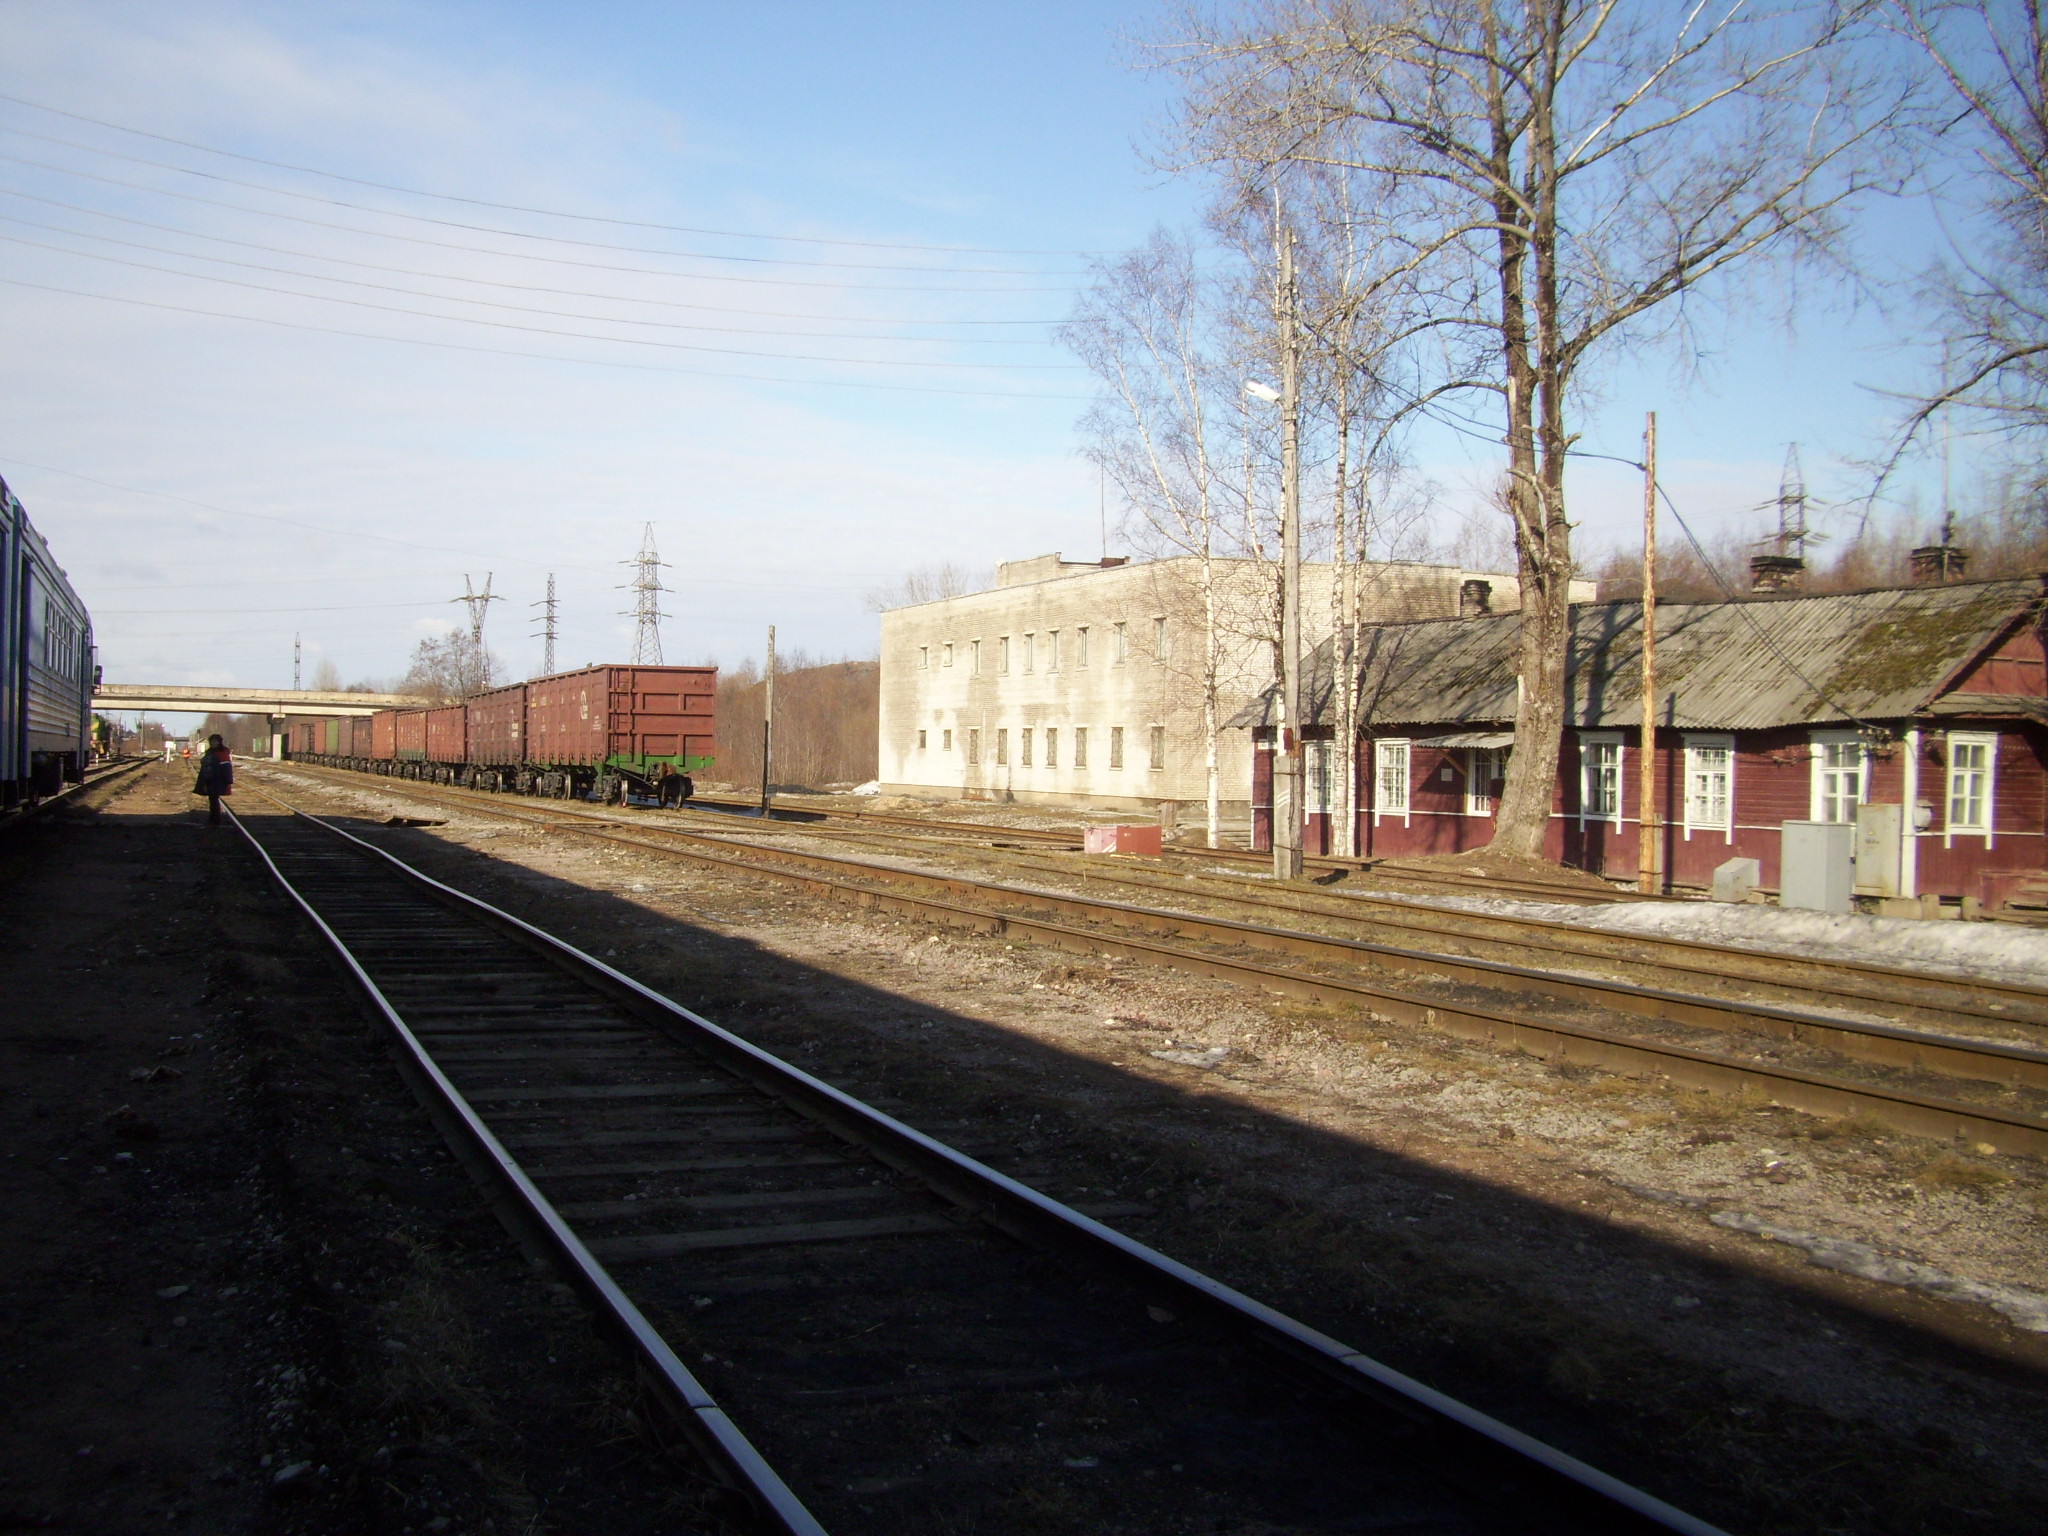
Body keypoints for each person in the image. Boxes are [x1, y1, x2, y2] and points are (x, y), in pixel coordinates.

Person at [192, 733, 234, 824]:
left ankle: (215, 820)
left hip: (217, 779)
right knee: (212, 799)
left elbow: (227, 766)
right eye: (211, 741)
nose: (213, 743)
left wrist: (228, 780)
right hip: (209, 778)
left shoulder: (222, 753)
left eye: (215, 741)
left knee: (214, 799)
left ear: (219, 742)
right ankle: (213, 819)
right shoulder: (210, 752)